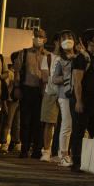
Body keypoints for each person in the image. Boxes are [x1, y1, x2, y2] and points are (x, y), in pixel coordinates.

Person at [70, 28, 94, 172]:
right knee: (78, 131)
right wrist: (78, 101)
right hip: (83, 100)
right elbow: (77, 82)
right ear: (89, 41)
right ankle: (76, 162)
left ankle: (92, 162)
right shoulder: (82, 58)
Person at [49, 30, 84, 168]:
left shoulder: (79, 57)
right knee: (66, 125)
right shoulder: (60, 60)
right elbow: (54, 79)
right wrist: (68, 77)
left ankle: (70, 153)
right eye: (64, 38)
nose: (67, 40)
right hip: (65, 95)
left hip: (78, 95)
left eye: (70, 37)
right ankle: (63, 154)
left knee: (75, 126)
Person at [12, 28, 48, 159]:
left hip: (42, 91)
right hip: (27, 90)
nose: (38, 38)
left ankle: (37, 149)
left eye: (41, 36)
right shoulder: (24, 53)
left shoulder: (48, 56)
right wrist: (16, 87)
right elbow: (17, 72)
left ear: (45, 39)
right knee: (25, 121)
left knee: (39, 122)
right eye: (36, 36)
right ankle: (24, 148)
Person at [39, 32, 61, 162]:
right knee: (48, 123)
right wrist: (61, 80)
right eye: (60, 41)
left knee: (62, 125)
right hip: (51, 93)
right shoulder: (48, 57)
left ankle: (58, 151)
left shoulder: (69, 58)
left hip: (64, 95)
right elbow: (45, 77)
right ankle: (46, 151)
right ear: (55, 42)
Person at [0, 54, 19, 154]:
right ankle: (4, 143)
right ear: (15, 60)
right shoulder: (10, 73)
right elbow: (5, 89)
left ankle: (14, 142)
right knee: (7, 122)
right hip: (10, 100)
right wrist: (4, 102)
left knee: (17, 123)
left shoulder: (21, 72)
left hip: (19, 101)